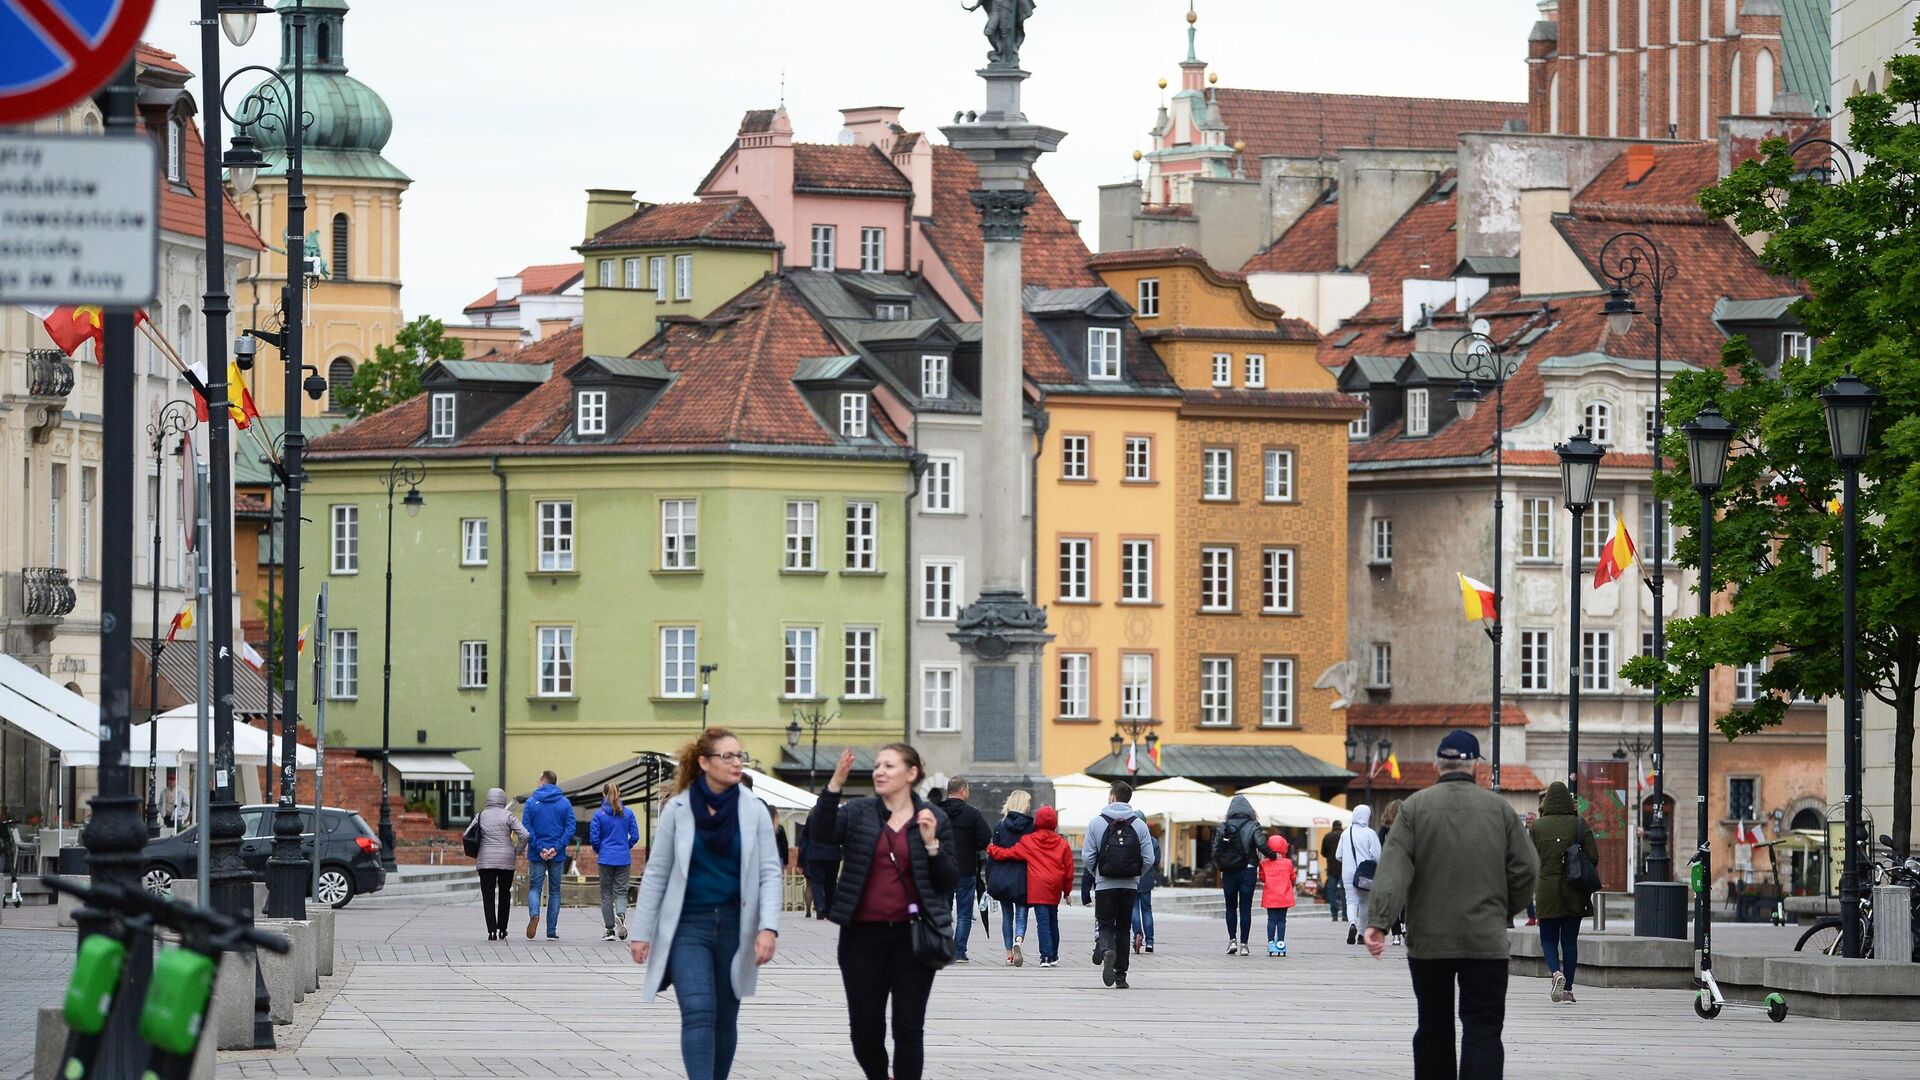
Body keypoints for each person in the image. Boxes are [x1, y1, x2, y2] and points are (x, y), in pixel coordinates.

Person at [1363, 730, 1539, 1080]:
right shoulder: (1500, 810)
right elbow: (1527, 868)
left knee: (1433, 1025)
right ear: (1476, 766)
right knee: (1484, 1028)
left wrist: (1379, 922)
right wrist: (1502, 910)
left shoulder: (1414, 809)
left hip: (1430, 941)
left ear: (1436, 765)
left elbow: (1392, 869)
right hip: (1485, 941)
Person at [629, 727, 783, 1080]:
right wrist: (641, 933)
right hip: (688, 927)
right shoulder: (678, 810)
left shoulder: (754, 811)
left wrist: (768, 927)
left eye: (739, 756)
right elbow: (656, 873)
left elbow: (770, 872)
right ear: (704, 762)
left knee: (725, 1016)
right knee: (698, 1010)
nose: (735, 762)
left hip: (735, 926)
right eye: (726, 756)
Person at [813, 745, 957, 1080]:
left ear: (911, 773)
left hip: (914, 938)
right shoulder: (858, 812)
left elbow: (949, 879)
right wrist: (834, 785)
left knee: (908, 1026)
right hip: (861, 938)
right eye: (877, 766)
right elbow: (821, 833)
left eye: (888, 766)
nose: (879, 771)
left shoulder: (934, 818)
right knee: (864, 1031)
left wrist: (932, 845)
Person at [1082, 780, 1155, 990]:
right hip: (1129, 886)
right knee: (1124, 929)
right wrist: (1135, 874)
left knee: (1105, 925)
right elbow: (1149, 858)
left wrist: (1096, 873)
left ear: (1112, 797)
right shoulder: (1139, 825)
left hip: (1105, 884)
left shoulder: (1096, 822)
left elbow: (1087, 856)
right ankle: (1121, 976)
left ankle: (1106, 949)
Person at [986, 803, 1073, 967]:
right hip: (1054, 886)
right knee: (1053, 920)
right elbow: (1069, 868)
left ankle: (1045, 956)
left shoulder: (1029, 841)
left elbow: (1008, 853)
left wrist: (992, 850)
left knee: (1043, 922)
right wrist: (1067, 890)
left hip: (1037, 886)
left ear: (1037, 821)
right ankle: (1054, 954)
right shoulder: (1062, 844)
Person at [1530, 781, 1594, 1005]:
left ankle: (1555, 972)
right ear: (1569, 800)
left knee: (1548, 937)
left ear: (1546, 802)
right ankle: (1568, 990)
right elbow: (1593, 856)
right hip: (1574, 889)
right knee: (1569, 941)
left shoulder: (1537, 827)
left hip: (1547, 889)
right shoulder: (1579, 824)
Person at [937, 777, 991, 964]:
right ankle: (959, 952)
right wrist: (972, 845)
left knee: (943, 910)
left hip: (942, 869)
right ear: (962, 791)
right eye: (967, 790)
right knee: (964, 913)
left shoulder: (936, 812)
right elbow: (985, 837)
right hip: (965, 869)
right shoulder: (972, 814)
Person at [522, 770, 575, 939]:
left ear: (543, 781)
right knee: (555, 891)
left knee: (535, 888)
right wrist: (556, 848)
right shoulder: (565, 803)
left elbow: (526, 828)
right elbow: (570, 828)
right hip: (557, 854)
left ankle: (534, 914)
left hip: (537, 853)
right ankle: (551, 931)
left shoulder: (531, 802)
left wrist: (539, 848)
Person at [471, 786, 529, 940]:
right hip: (506, 860)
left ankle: (491, 931)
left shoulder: (481, 816)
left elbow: (467, 834)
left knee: (488, 895)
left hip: (485, 861)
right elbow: (525, 834)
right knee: (504, 894)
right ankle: (502, 929)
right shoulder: (508, 816)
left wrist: (474, 851)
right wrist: (517, 851)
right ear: (503, 800)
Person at [985, 790, 1034, 966]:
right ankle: (1018, 941)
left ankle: (1008, 954)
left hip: (1003, 876)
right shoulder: (1031, 827)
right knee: (1022, 914)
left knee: (1007, 916)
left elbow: (992, 854)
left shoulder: (999, 826)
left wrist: (989, 878)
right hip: (1023, 877)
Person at [1213, 794, 1266, 955]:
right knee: (1245, 908)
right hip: (1248, 869)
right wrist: (1273, 856)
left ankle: (1232, 941)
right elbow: (1261, 844)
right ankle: (1244, 944)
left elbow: (1216, 850)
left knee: (1230, 907)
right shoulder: (1253, 825)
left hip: (1228, 871)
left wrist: (1221, 865)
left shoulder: (1223, 826)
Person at [590, 781, 641, 941]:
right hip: (623, 858)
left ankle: (610, 930)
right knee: (621, 892)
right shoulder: (628, 813)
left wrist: (601, 850)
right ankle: (621, 915)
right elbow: (635, 836)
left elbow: (594, 838)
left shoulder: (599, 815)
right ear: (619, 793)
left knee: (606, 894)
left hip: (605, 858)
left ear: (604, 794)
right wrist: (626, 846)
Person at [1338, 804, 1382, 946]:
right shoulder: (1370, 833)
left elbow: (1338, 855)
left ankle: (1352, 923)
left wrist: (1348, 859)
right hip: (1365, 873)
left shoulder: (1345, 833)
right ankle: (1362, 934)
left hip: (1348, 872)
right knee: (1364, 902)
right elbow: (1377, 856)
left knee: (1351, 900)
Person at [1259, 834, 1297, 956]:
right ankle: (1280, 942)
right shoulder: (1288, 863)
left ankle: (1271, 942)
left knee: (1271, 920)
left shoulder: (1264, 863)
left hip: (1270, 896)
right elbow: (1293, 877)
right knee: (1282, 920)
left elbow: (1262, 878)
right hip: (1284, 896)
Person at [1378, 799, 1408, 946]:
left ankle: (1396, 935)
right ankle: (1405, 924)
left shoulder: (1385, 829)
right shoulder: (1409, 826)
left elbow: (1380, 848)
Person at [800, 817, 842, 920]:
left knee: (817, 882)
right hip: (833, 854)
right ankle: (829, 908)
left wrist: (803, 855)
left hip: (815, 854)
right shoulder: (838, 818)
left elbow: (804, 836)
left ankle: (819, 907)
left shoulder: (811, 819)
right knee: (831, 883)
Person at [1132, 847, 1157, 954]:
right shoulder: (1153, 842)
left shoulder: (1130, 836)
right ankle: (1150, 941)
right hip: (1146, 879)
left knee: (1134, 909)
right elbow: (1156, 860)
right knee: (1147, 910)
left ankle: (1138, 935)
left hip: (1133, 878)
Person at [1321, 820, 1347, 921]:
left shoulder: (1327, 836)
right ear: (1341, 826)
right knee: (1344, 891)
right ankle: (1345, 915)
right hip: (1344, 868)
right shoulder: (1344, 836)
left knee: (1332, 891)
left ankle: (1334, 915)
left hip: (1331, 868)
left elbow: (1323, 853)